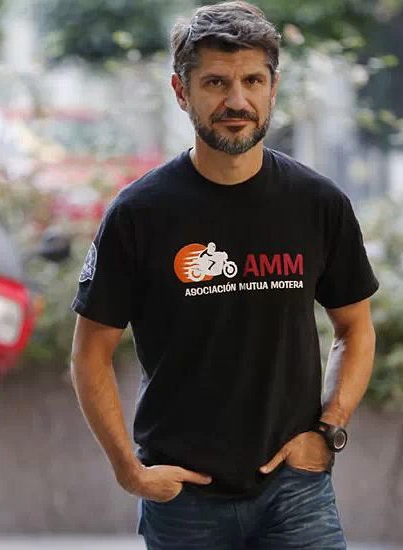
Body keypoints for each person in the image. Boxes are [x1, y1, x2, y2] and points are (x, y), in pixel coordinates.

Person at [69, 2, 378, 548]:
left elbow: (355, 328)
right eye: (215, 82)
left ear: (272, 87)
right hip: (184, 498)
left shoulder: (318, 203)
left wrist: (329, 430)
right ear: (181, 91)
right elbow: (90, 353)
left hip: (296, 491)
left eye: (252, 80)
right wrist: (129, 472)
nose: (237, 101)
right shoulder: (139, 214)